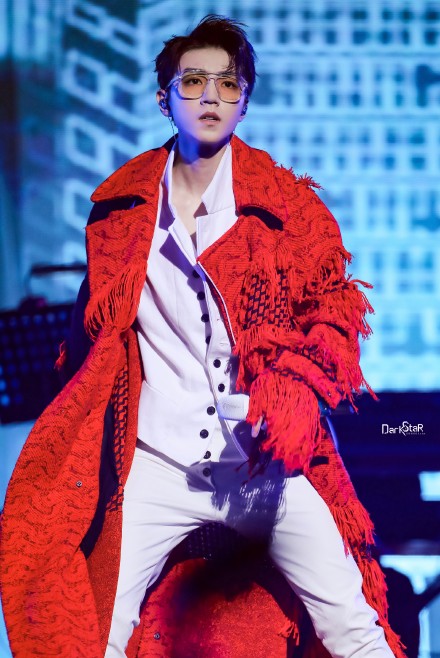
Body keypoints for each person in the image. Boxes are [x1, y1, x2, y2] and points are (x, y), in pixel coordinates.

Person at [0, 15, 406, 658]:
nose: (211, 96)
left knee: (352, 625)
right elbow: (94, 338)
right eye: (193, 81)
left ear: (244, 100)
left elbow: (334, 312)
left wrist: (295, 388)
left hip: (259, 465)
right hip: (158, 464)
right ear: (165, 98)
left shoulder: (285, 207)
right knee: (94, 629)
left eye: (227, 83)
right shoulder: (121, 214)